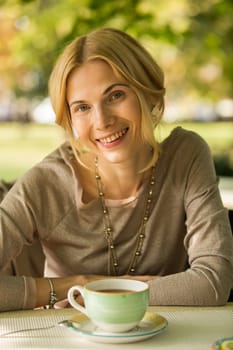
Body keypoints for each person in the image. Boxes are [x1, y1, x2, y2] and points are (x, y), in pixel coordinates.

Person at [0, 27, 232, 312]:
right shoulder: (47, 182)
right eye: (83, 107)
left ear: (148, 93)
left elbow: (213, 281)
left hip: (165, 338)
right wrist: (77, 284)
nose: (103, 121)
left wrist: (108, 292)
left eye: (115, 95)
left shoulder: (186, 157)